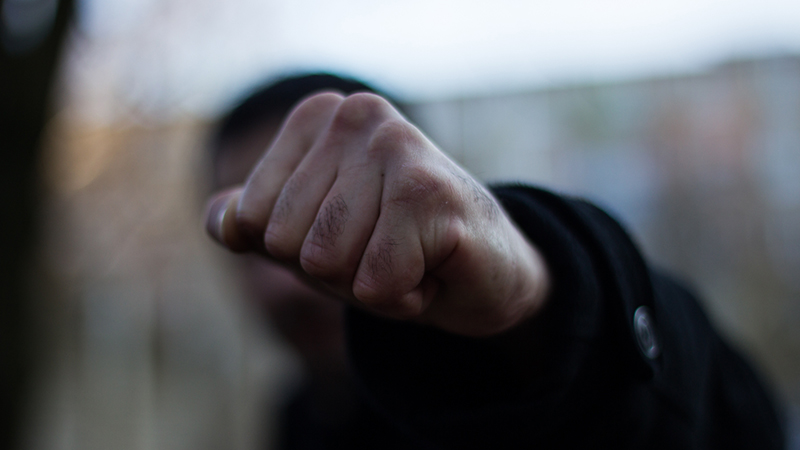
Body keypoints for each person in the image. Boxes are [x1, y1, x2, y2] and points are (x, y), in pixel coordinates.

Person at [205, 73, 786, 449]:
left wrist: (538, 301)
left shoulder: (499, 393)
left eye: (335, 211)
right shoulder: (296, 421)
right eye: (254, 239)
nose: (288, 283)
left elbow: (728, 415)